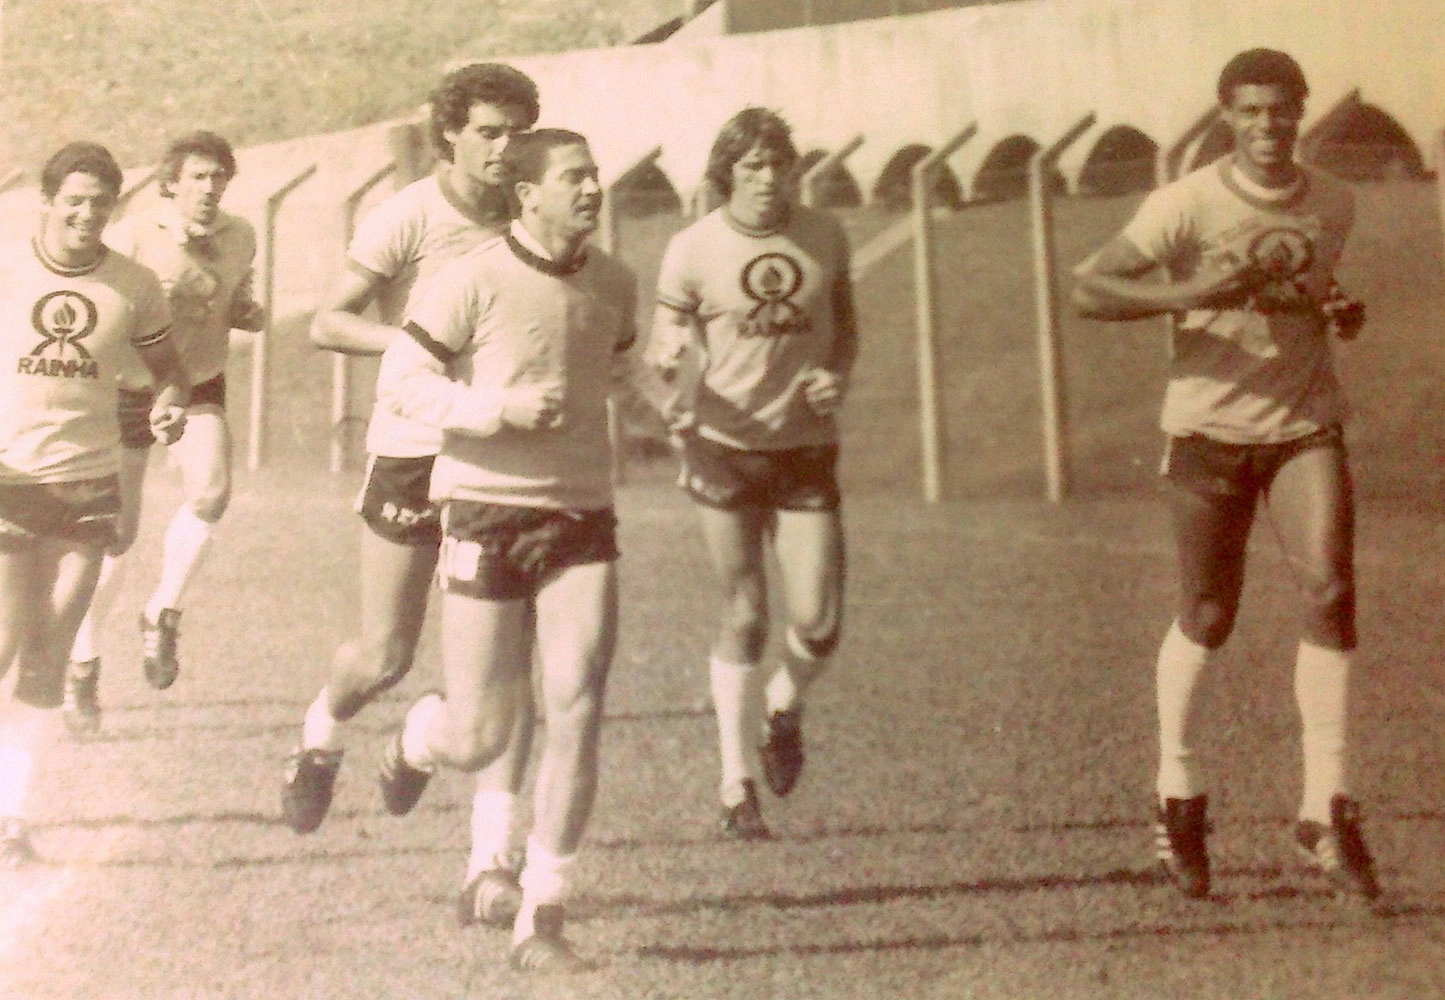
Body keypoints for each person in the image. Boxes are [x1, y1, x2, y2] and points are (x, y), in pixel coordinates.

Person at [1071, 48, 1378, 903]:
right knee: (1208, 612)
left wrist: (1336, 309)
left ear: (1301, 115)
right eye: (1248, 112)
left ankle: (1325, 803)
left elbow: (1307, 289)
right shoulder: (1184, 202)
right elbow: (1090, 288)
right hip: (1207, 431)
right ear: (1225, 118)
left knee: (1328, 589)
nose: (1266, 127)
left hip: (1302, 425)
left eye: (1280, 111)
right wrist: (1193, 289)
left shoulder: (1333, 201)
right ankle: (1177, 794)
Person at [280, 63, 543, 927]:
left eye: (516, 133)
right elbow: (328, 320)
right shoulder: (407, 217)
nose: (504, 151)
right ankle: (323, 731)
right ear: (451, 136)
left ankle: (490, 864)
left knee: (508, 669)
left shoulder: (529, 210)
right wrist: (417, 344)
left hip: (498, 458)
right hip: (411, 450)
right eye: (488, 133)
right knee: (382, 656)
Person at [373, 127, 636, 972]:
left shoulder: (616, 282)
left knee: (578, 702)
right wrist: (495, 410)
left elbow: (617, 371)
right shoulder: (472, 278)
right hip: (484, 513)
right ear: (527, 193)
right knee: (481, 733)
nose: (592, 188)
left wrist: (674, 393)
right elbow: (402, 384)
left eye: (594, 174)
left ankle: (543, 914)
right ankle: (418, 737)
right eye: (574, 177)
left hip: (581, 517)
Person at [647, 108, 857, 839]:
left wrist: (834, 375)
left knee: (820, 624)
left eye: (778, 165)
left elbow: (844, 325)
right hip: (721, 444)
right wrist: (670, 357)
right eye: (751, 168)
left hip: (803, 448)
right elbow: (667, 336)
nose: (768, 181)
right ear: (724, 176)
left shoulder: (824, 234)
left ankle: (783, 704)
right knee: (745, 613)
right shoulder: (691, 248)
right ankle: (736, 786)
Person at [0, 141, 188, 866]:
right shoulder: (11, 268)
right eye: (74, 199)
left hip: (88, 484)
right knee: (7, 642)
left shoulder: (135, 284)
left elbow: (170, 375)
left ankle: (12, 821)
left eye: (100, 202)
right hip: (12, 475)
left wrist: (170, 408)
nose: (86, 212)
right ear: (48, 201)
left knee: (48, 660)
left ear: (114, 208)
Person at [61, 131, 262, 733]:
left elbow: (243, 300)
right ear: (169, 183)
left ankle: (163, 612)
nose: (209, 188)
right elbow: (90, 305)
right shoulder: (130, 237)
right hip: (126, 387)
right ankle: (83, 661)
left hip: (196, 380)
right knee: (116, 538)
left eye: (218, 177)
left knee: (210, 493)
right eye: (197, 177)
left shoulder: (241, 235)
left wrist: (248, 310)